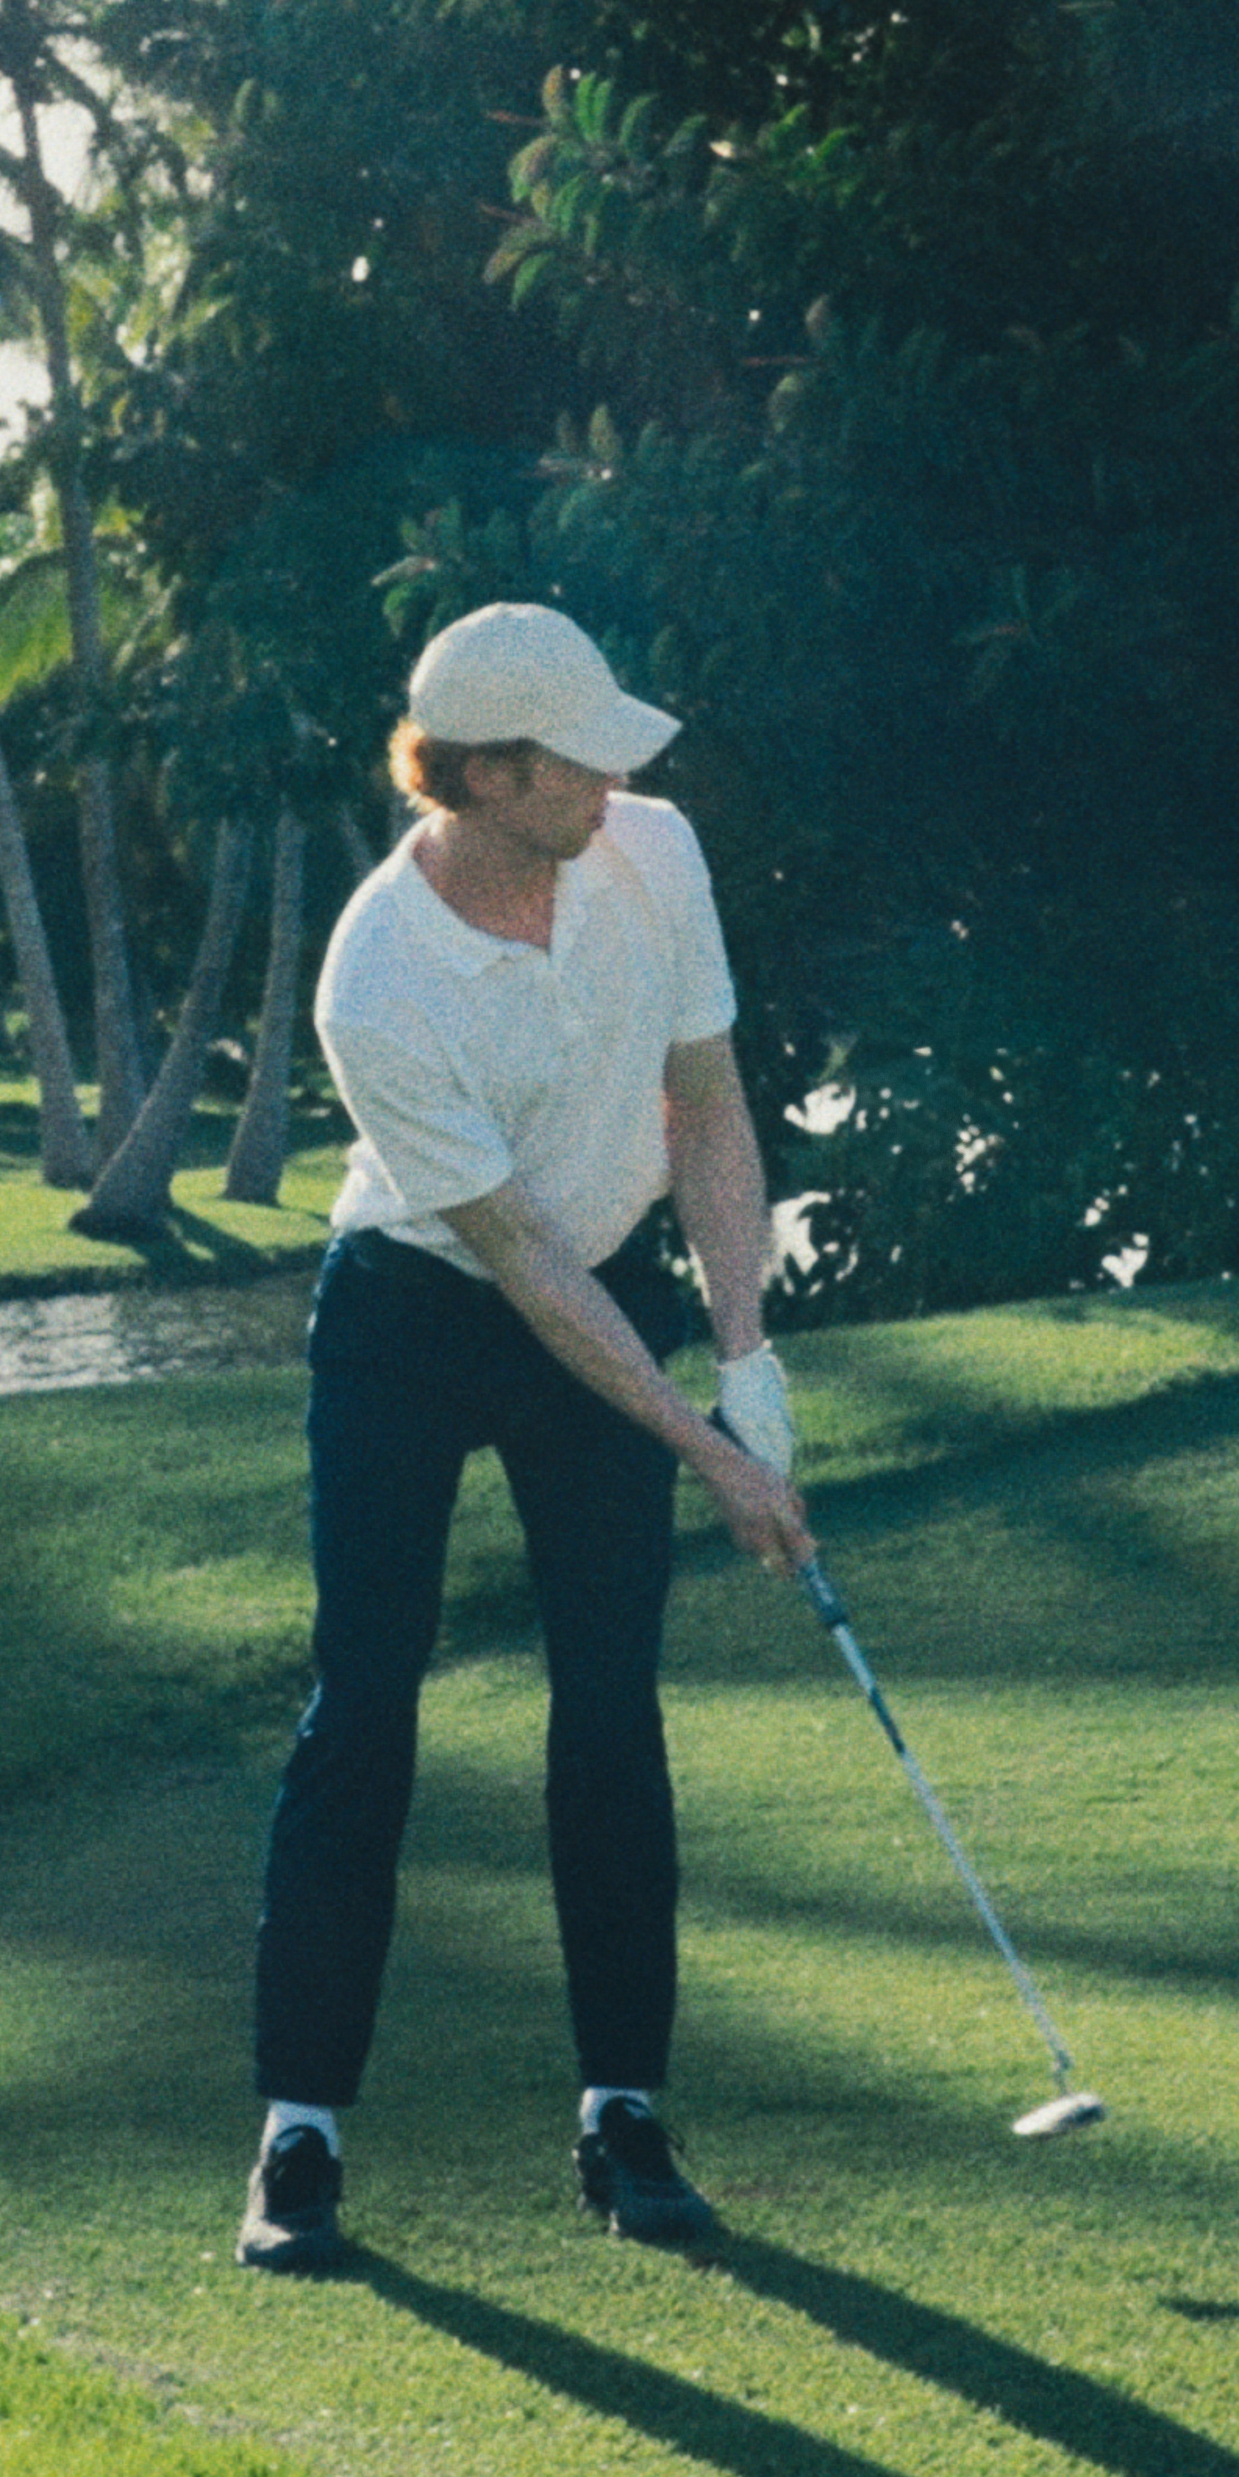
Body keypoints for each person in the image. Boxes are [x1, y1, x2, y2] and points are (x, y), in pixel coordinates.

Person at [237, 601, 811, 2277]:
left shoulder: (653, 853)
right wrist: (710, 1451)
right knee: (368, 1702)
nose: (620, 783)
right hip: (419, 1315)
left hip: (608, 1282)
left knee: (610, 1707)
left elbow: (705, 1103)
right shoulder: (378, 976)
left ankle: (625, 2113)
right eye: (581, 761)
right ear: (489, 777)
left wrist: (750, 1356)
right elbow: (526, 1273)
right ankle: (298, 2138)